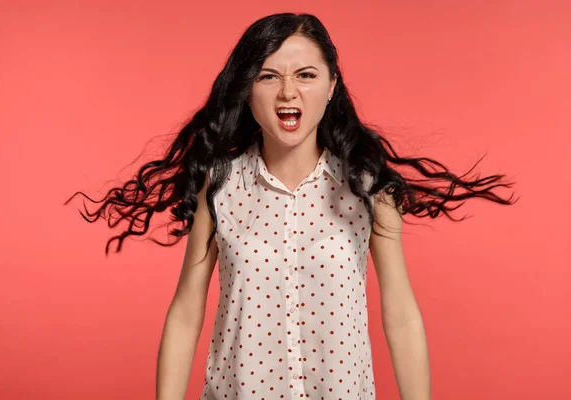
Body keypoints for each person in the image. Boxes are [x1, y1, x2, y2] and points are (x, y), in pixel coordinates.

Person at [66, 12, 516, 400]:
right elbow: (186, 311)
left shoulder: (368, 187)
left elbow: (400, 311)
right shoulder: (218, 185)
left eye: (305, 75)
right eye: (268, 76)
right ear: (246, 89)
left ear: (331, 85)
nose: (288, 92)